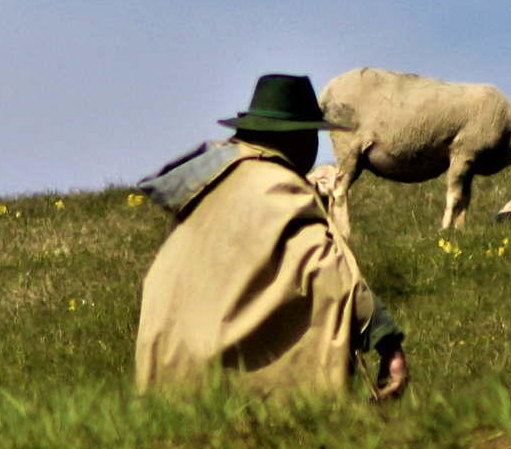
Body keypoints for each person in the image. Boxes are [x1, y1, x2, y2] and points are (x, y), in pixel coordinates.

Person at [133, 73, 408, 400]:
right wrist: (386, 339)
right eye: (313, 135)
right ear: (298, 139)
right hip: (234, 384)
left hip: (167, 370)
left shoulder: (210, 182)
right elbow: (329, 268)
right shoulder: (276, 185)